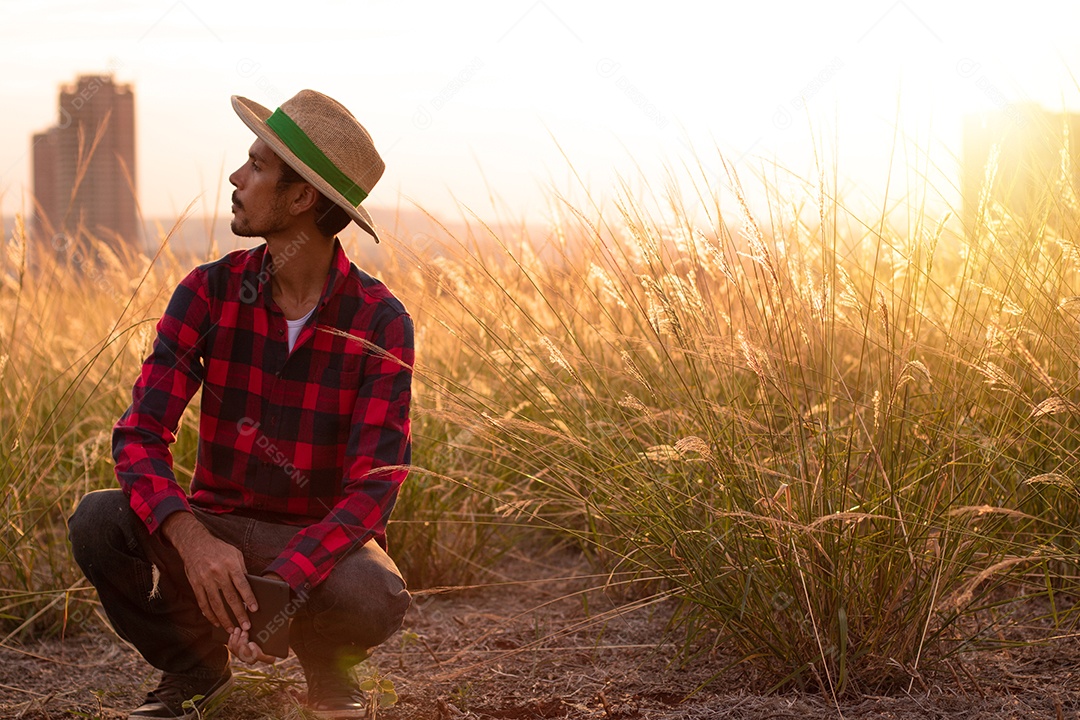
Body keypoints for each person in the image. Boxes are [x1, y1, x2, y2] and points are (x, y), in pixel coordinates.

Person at [68, 89, 413, 720]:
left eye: (256, 166)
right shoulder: (207, 292)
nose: (236, 176)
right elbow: (140, 435)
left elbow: (376, 485)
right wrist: (193, 539)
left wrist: (286, 579)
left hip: (316, 542)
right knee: (98, 522)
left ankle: (327, 673)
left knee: (375, 589)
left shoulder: (381, 321)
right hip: (215, 523)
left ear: (303, 197)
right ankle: (197, 670)